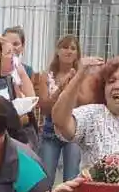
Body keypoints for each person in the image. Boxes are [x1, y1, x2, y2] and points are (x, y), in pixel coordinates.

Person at [51, 55, 119, 170]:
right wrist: (79, 77)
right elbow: (61, 121)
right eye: (111, 81)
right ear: (103, 88)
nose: (117, 86)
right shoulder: (93, 114)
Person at [35, 35, 83, 180]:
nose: (68, 51)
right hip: (50, 130)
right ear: (57, 51)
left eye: (73, 48)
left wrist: (75, 82)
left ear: (77, 54)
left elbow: (83, 103)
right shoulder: (46, 76)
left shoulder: (82, 76)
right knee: (46, 177)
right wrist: (61, 88)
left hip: (74, 129)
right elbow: (44, 108)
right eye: (65, 47)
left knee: (72, 176)